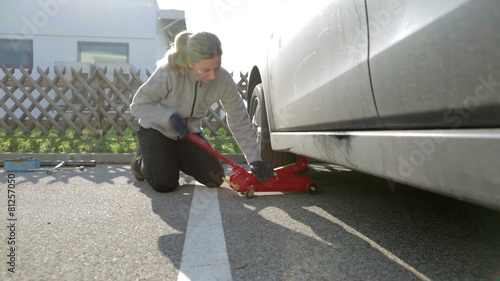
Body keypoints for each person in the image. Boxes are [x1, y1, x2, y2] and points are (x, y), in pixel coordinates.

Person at [130, 31, 273, 192]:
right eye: (205, 70)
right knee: (165, 183)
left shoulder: (223, 80)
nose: (212, 76)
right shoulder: (168, 72)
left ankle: (168, 156)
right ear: (190, 62)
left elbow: (238, 118)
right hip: (156, 130)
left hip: (188, 134)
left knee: (215, 178)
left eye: (216, 68)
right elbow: (138, 105)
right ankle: (141, 160)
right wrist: (169, 117)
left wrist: (254, 159)